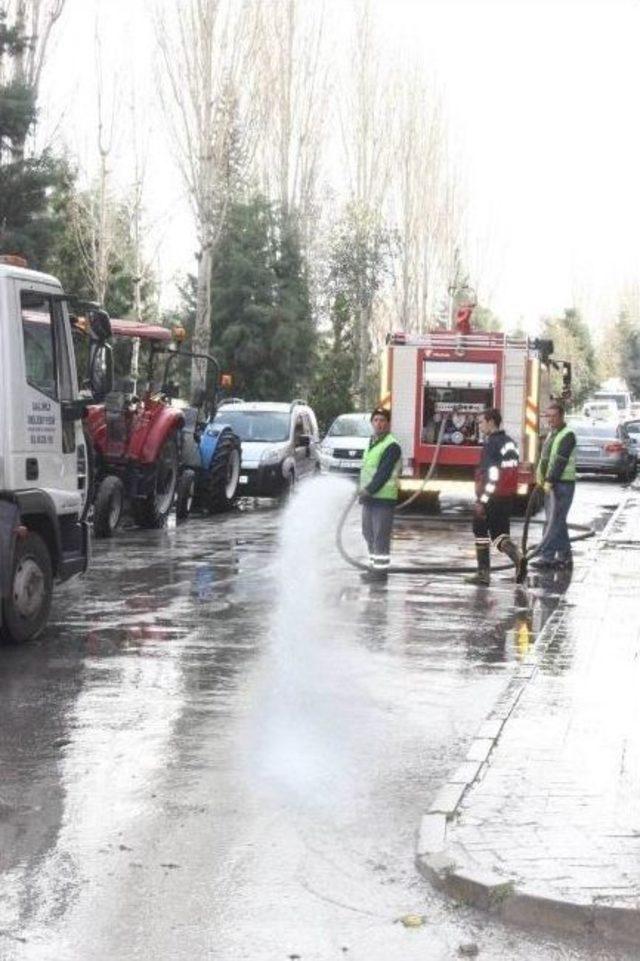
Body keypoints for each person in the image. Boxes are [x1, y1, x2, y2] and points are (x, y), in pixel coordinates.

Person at [466, 407, 525, 586]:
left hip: (491, 498)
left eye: (481, 422)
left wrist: (482, 501)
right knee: (500, 535)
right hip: (506, 497)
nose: (480, 425)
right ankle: (518, 557)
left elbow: (491, 476)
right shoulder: (510, 443)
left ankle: (483, 574)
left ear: (491, 421)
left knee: (480, 530)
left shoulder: (491, 444)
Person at [530, 400, 576, 570]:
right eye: (547, 416)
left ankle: (547, 557)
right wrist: (542, 479)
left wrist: (550, 480)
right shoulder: (552, 433)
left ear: (561, 416)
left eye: (553, 416)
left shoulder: (567, 435)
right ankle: (565, 556)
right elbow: (545, 459)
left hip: (562, 485)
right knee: (558, 521)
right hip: (553, 484)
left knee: (553, 521)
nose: (550, 420)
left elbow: (560, 461)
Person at [358, 408, 402, 582]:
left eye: (382, 420)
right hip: (369, 498)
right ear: (372, 423)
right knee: (368, 533)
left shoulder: (392, 446)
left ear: (388, 423)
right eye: (375, 420)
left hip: (383, 499)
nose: (379, 423)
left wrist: (368, 489)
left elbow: (383, 473)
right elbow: (367, 470)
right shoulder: (372, 442)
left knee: (380, 536)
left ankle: (380, 573)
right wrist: (363, 490)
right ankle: (373, 568)